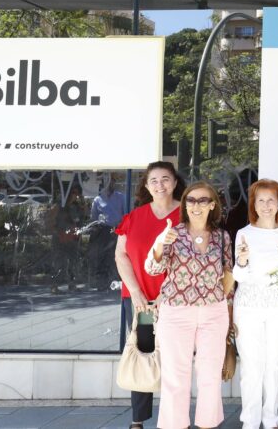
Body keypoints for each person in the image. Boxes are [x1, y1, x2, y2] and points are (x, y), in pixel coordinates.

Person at [146, 182, 233, 429]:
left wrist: (224, 305)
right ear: (185, 205)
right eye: (191, 200)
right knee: (175, 377)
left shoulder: (222, 236)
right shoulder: (172, 234)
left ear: (212, 205)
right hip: (176, 311)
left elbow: (228, 275)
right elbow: (152, 269)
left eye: (203, 200)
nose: (196, 205)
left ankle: (207, 424)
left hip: (213, 312)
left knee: (210, 375)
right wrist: (159, 243)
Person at [114, 161, 185, 429]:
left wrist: (172, 294)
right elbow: (120, 255)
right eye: (153, 180)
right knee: (143, 354)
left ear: (175, 182)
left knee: (174, 359)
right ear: (146, 185)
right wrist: (135, 292)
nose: (159, 185)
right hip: (141, 301)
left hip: (176, 302)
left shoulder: (187, 215)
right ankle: (138, 420)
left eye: (165, 179)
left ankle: (173, 419)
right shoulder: (134, 217)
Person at [233, 179, 278, 429]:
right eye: (261, 200)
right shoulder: (244, 233)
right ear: (254, 204)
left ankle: (271, 420)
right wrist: (242, 261)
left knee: (274, 367)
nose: (266, 205)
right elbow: (239, 277)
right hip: (248, 307)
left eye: (271, 200)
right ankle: (250, 422)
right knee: (251, 367)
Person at [89, 176, 127, 290]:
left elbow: (126, 215)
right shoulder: (98, 199)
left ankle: (119, 283)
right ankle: (103, 283)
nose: (110, 184)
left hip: (117, 230)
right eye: (107, 182)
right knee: (103, 257)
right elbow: (94, 218)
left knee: (118, 256)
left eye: (112, 181)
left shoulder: (121, 197)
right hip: (103, 231)